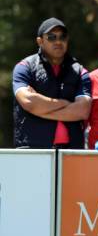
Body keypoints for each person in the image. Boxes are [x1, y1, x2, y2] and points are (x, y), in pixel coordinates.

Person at [12, 17, 91, 148]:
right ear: (40, 41)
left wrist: (39, 109)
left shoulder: (80, 71)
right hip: (33, 148)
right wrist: (65, 103)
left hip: (71, 149)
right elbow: (28, 102)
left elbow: (82, 110)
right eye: (52, 37)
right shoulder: (25, 67)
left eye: (63, 37)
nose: (58, 41)